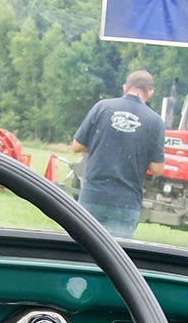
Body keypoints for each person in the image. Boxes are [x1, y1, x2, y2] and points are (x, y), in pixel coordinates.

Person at [70, 70, 166, 239]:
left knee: (83, 252)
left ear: (124, 88)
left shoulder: (102, 107)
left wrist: (103, 144)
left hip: (93, 195)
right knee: (115, 258)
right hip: (126, 203)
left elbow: (76, 146)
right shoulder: (155, 121)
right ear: (149, 93)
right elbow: (158, 169)